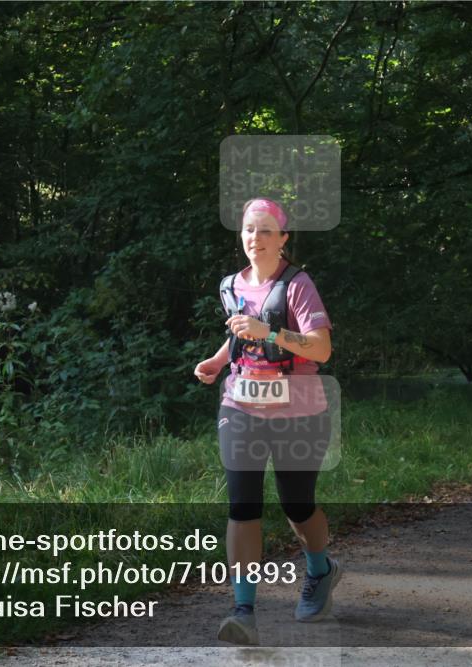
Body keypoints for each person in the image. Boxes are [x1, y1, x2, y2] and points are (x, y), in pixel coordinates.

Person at [193, 197, 341, 646]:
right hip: (240, 408)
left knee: (297, 505)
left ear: (282, 239)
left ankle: (320, 567)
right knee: (242, 506)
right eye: (247, 230)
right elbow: (239, 334)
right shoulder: (229, 285)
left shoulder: (298, 286)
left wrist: (271, 334)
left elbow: (320, 349)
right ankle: (243, 611)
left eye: (263, 231)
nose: (253, 239)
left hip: (299, 412)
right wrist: (219, 362)